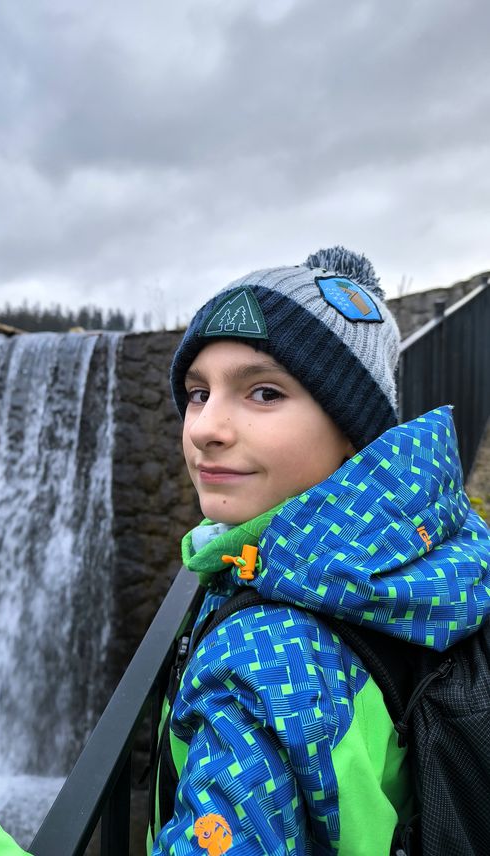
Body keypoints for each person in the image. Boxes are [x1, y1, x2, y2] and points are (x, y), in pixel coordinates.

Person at [149, 246, 490, 855]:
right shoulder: (427, 549)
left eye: (264, 393)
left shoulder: (265, 657)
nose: (203, 427)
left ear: (351, 430)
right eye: (199, 393)